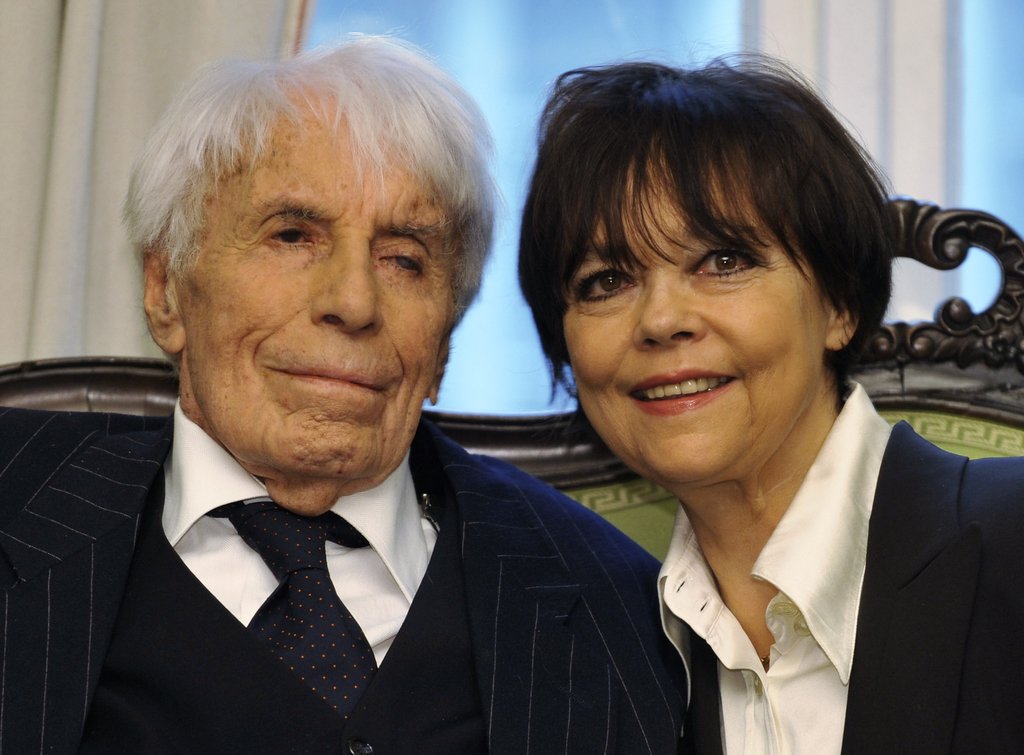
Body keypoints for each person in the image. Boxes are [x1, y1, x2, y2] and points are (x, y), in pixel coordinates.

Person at [0, 37, 686, 754]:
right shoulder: (19, 496)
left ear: (445, 339)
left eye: (404, 260)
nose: (354, 301)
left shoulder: (617, 603)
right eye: (292, 236)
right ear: (165, 289)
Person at [518, 55, 1024, 754]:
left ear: (840, 304)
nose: (660, 320)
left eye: (723, 261)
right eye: (606, 281)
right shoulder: (569, 653)